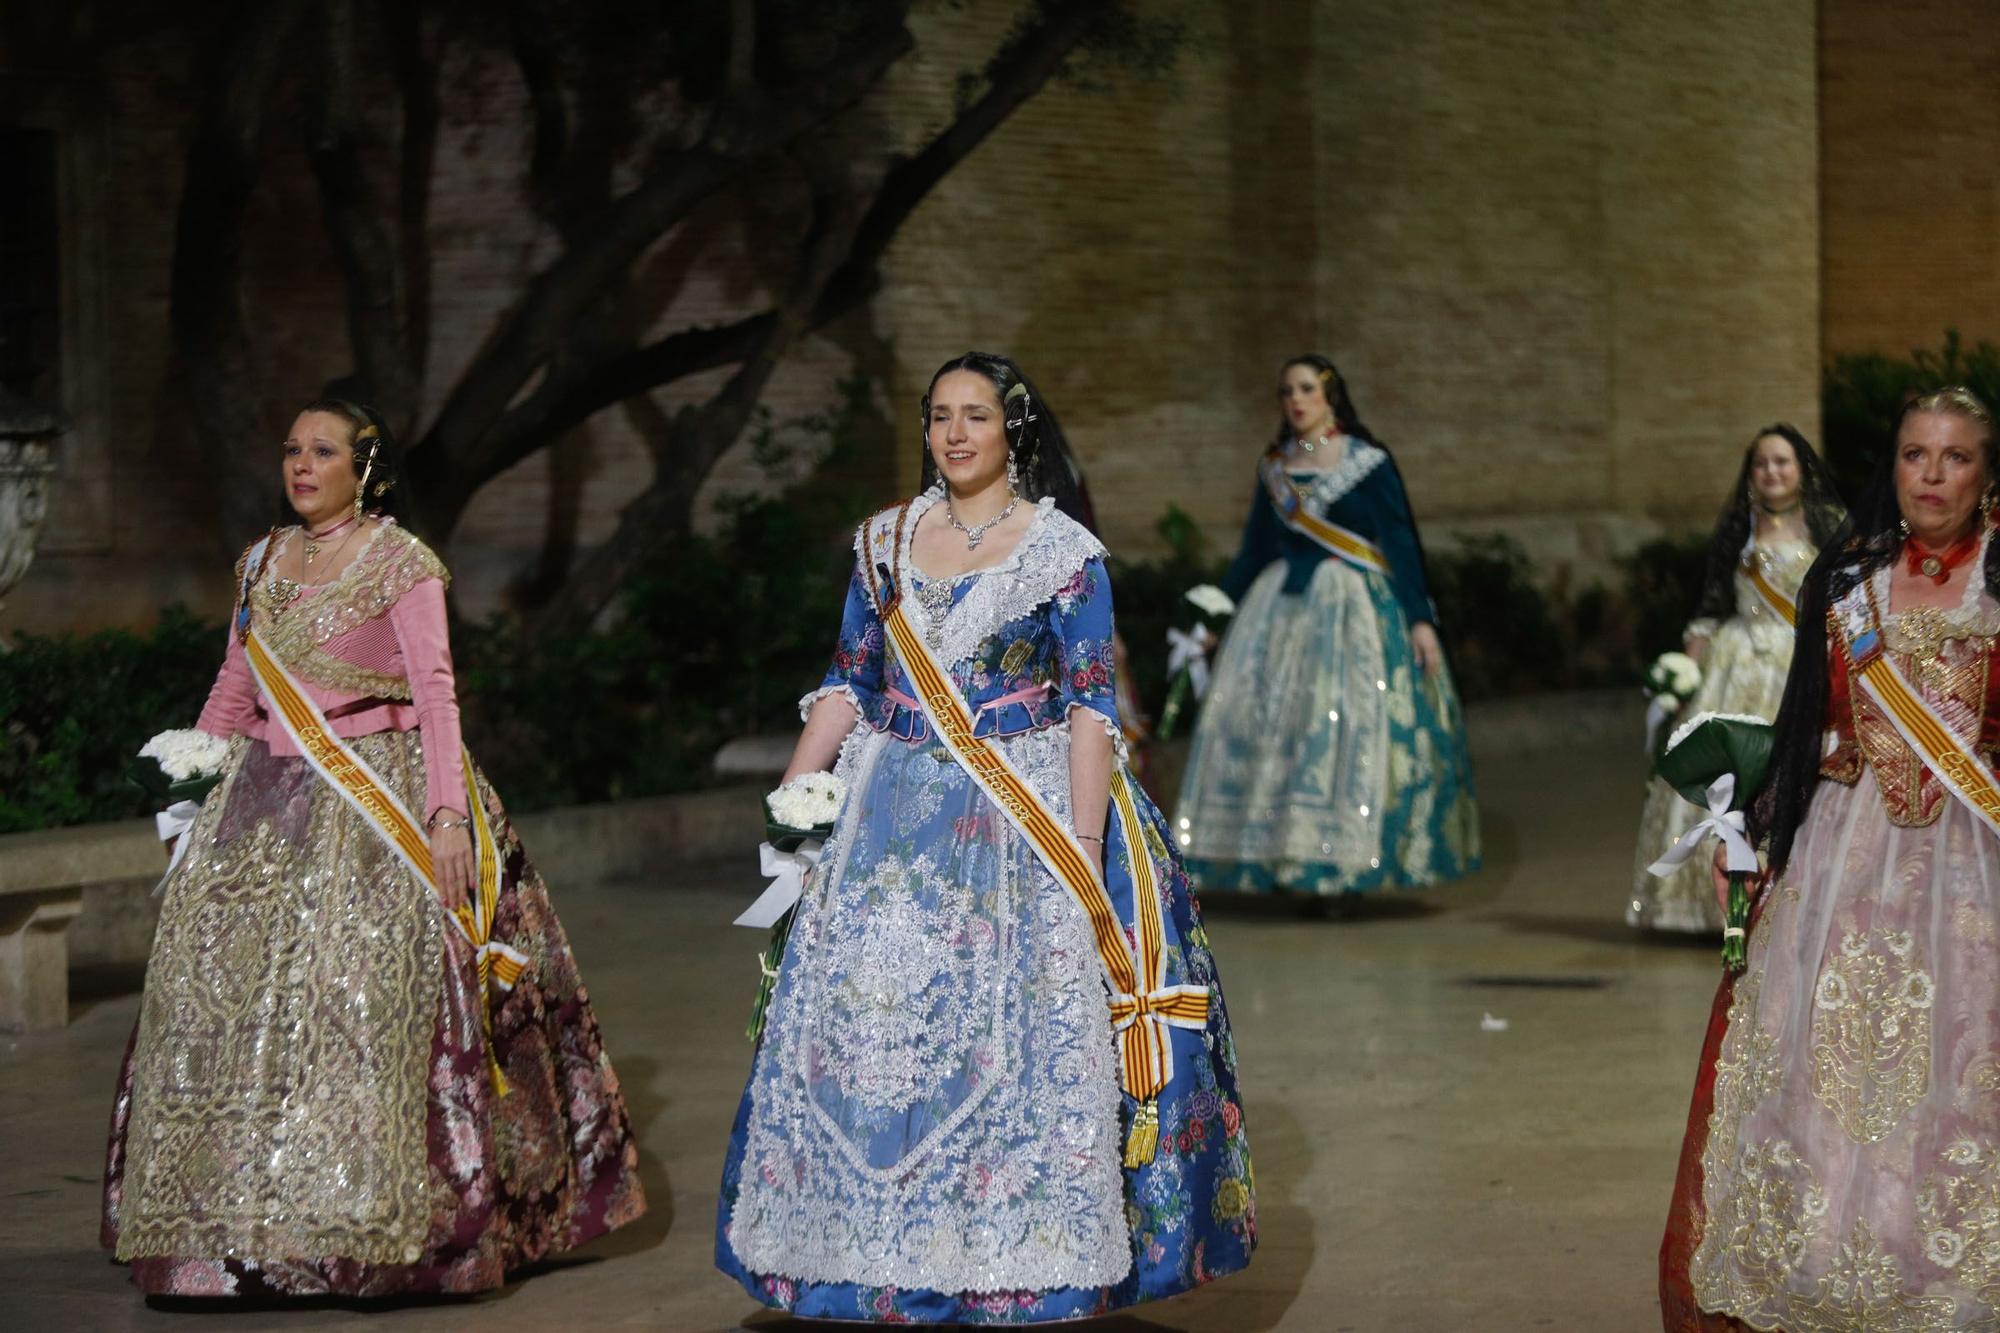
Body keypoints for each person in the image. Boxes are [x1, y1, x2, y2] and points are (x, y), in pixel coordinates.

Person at [715, 353, 1256, 1322]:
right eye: (937, 416)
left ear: (1015, 431)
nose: (954, 433)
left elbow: (1091, 705)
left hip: (1018, 813)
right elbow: (847, 678)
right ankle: (856, 1256)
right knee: (871, 1031)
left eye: (974, 415)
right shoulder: (881, 542)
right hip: (882, 816)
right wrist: (797, 796)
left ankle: (1003, 1258)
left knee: (1000, 1038)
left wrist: (1083, 847)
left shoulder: (1061, 553)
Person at [100, 399, 644, 1296]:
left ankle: (372, 1233)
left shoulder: (403, 562)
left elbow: (436, 694)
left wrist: (446, 818)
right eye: (292, 449)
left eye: (323, 451)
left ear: (366, 469)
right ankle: (228, 1236)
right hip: (262, 804)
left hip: (378, 796)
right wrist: (190, 787)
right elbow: (233, 688)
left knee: (360, 1001)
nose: (301, 464)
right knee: (220, 1001)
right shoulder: (261, 560)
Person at [1661, 387, 2000, 1329]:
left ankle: (1954, 1264)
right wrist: (1756, 826)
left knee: (1960, 1063)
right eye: (1914, 454)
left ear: (1987, 472)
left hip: (1975, 864)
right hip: (1844, 858)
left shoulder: (1999, 584)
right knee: (1834, 1061)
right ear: (1890, 465)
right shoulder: (1848, 577)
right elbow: (1807, 714)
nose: (1931, 476)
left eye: (1955, 458)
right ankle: (1822, 1250)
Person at [1172, 355, 1479, 898]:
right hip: (1279, 613)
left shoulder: (1368, 463)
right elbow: (1253, 551)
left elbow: (1401, 545)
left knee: (1342, 726)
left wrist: (1420, 620)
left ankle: (1340, 868)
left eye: (1307, 389)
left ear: (1330, 396)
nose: (1296, 400)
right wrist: (1216, 616)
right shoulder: (1274, 467)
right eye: (1287, 390)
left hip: (1352, 610)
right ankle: (1278, 859)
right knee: (1277, 733)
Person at [1629, 425, 1844, 932]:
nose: (1772, 471)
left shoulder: (1827, 526)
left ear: (1801, 469)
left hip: (1800, 665)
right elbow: (1709, 607)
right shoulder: (1737, 530)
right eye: (1762, 463)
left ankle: (1790, 899)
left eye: (1782, 462)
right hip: (1735, 661)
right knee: (1724, 783)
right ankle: (1711, 906)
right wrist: (1683, 674)